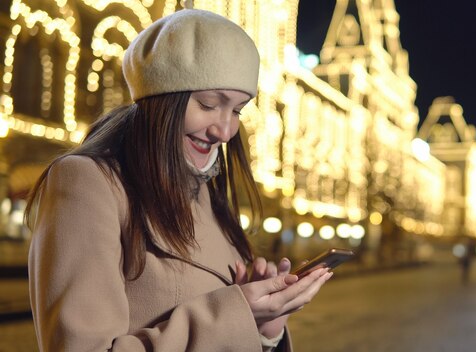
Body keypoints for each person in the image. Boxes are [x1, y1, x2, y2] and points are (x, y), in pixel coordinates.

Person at [25, 9, 332, 351]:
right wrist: (235, 312)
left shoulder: (207, 196)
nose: (225, 131)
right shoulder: (87, 182)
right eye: (209, 104)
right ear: (161, 101)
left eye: (237, 110)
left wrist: (263, 328)